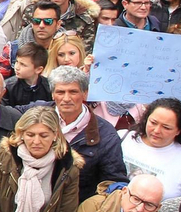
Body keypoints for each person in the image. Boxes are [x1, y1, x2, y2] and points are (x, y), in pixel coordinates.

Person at [48, 66, 128, 201]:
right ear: (52, 94)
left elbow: (113, 182)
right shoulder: (36, 115)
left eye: (73, 92)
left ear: (85, 93)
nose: (66, 98)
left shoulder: (106, 134)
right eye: (60, 92)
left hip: (78, 209)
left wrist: (91, 210)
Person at [120, 98, 181, 200]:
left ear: (179, 130)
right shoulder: (122, 139)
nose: (157, 130)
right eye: (153, 123)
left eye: (166, 127)